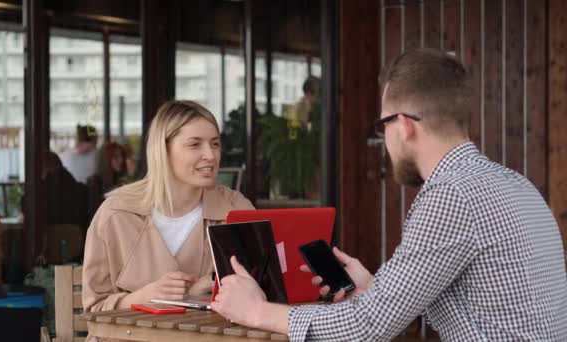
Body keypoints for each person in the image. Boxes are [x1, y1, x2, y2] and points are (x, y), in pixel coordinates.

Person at [211, 48, 567, 341]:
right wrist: (376, 289)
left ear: (404, 125)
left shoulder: (452, 195)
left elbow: (367, 328)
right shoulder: (514, 183)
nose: (384, 142)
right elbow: (478, 302)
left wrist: (256, 311)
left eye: (383, 126)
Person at [82, 100, 253, 341]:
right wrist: (143, 298)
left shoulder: (237, 209)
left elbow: (263, 287)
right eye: (195, 144)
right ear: (163, 150)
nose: (211, 155)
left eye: (215, 144)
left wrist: (210, 284)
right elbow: (93, 312)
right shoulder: (115, 215)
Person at [86, 142, 128, 219]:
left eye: (121, 156)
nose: (121, 160)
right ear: (105, 160)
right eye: (115, 156)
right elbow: (94, 215)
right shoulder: (95, 183)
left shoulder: (120, 181)